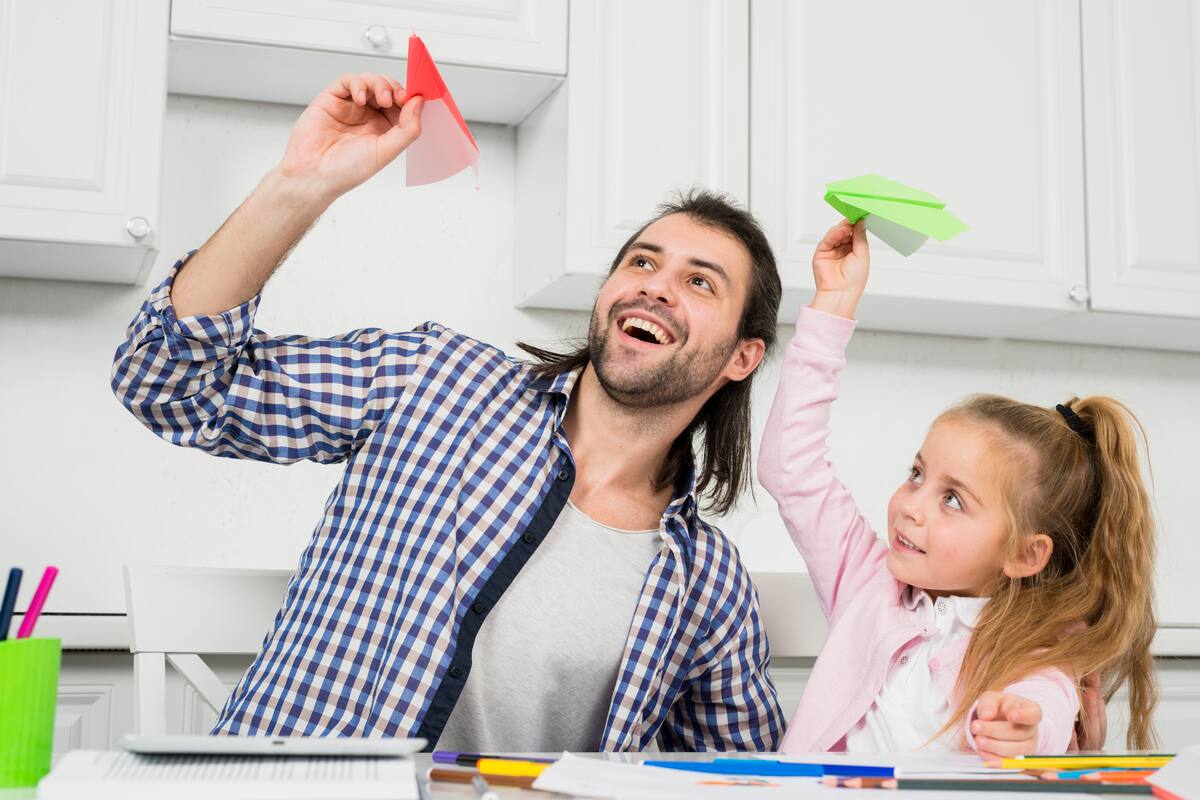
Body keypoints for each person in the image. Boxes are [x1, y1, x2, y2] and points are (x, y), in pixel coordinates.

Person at [110, 73, 785, 751]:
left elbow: (742, 780)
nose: (656, 286)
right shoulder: (436, 380)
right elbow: (164, 383)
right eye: (642, 261)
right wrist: (300, 183)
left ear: (741, 357)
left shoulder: (708, 583)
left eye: (700, 281)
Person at [759, 219, 1152, 756]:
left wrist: (1028, 728)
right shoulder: (867, 584)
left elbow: (1047, 703)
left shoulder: (1036, 642)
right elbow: (791, 469)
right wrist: (834, 303)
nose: (911, 507)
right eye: (917, 475)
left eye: (952, 499)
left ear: (1023, 553)